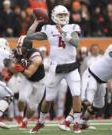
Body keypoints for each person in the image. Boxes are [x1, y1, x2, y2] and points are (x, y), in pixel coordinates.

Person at [26, 5, 82, 133]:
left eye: (64, 15)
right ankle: (41, 121)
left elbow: (75, 43)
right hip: (55, 67)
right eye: (60, 15)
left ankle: (76, 123)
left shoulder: (72, 27)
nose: (63, 17)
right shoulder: (48, 28)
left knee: (76, 94)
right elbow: (29, 36)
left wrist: (63, 33)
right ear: (53, 17)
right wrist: (36, 22)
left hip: (71, 66)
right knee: (48, 98)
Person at [13, 35, 46, 128]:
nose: (19, 48)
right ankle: (19, 116)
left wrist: (21, 69)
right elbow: (12, 66)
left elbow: (29, 73)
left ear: (27, 47)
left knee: (33, 107)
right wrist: (13, 66)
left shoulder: (36, 57)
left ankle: (25, 120)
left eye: (21, 46)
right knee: (21, 99)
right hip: (27, 80)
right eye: (18, 45)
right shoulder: (17, 53)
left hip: (39, 81)